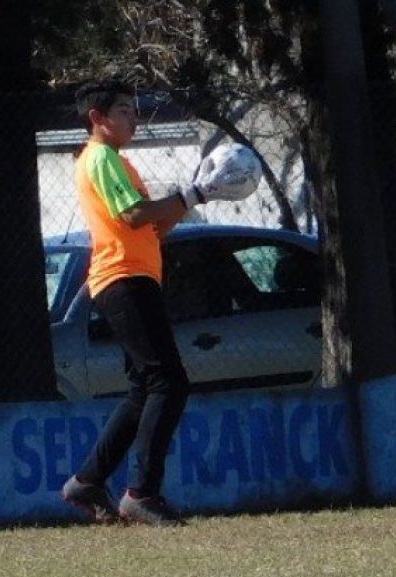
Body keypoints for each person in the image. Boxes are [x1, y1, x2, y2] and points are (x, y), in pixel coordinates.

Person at [61, 79, 232, 525]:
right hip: (122, 277)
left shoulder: (117, 161)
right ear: (97, 119)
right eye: (122, 111)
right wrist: (189, 196)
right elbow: (134, 213)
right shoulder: (100, 157)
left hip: (132, 276)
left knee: (146, 387)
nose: (132, 118)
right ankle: (142, 493)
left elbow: (151, 229)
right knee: (167, 382)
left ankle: (88, 481)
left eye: (133, 111)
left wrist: (200, 195)